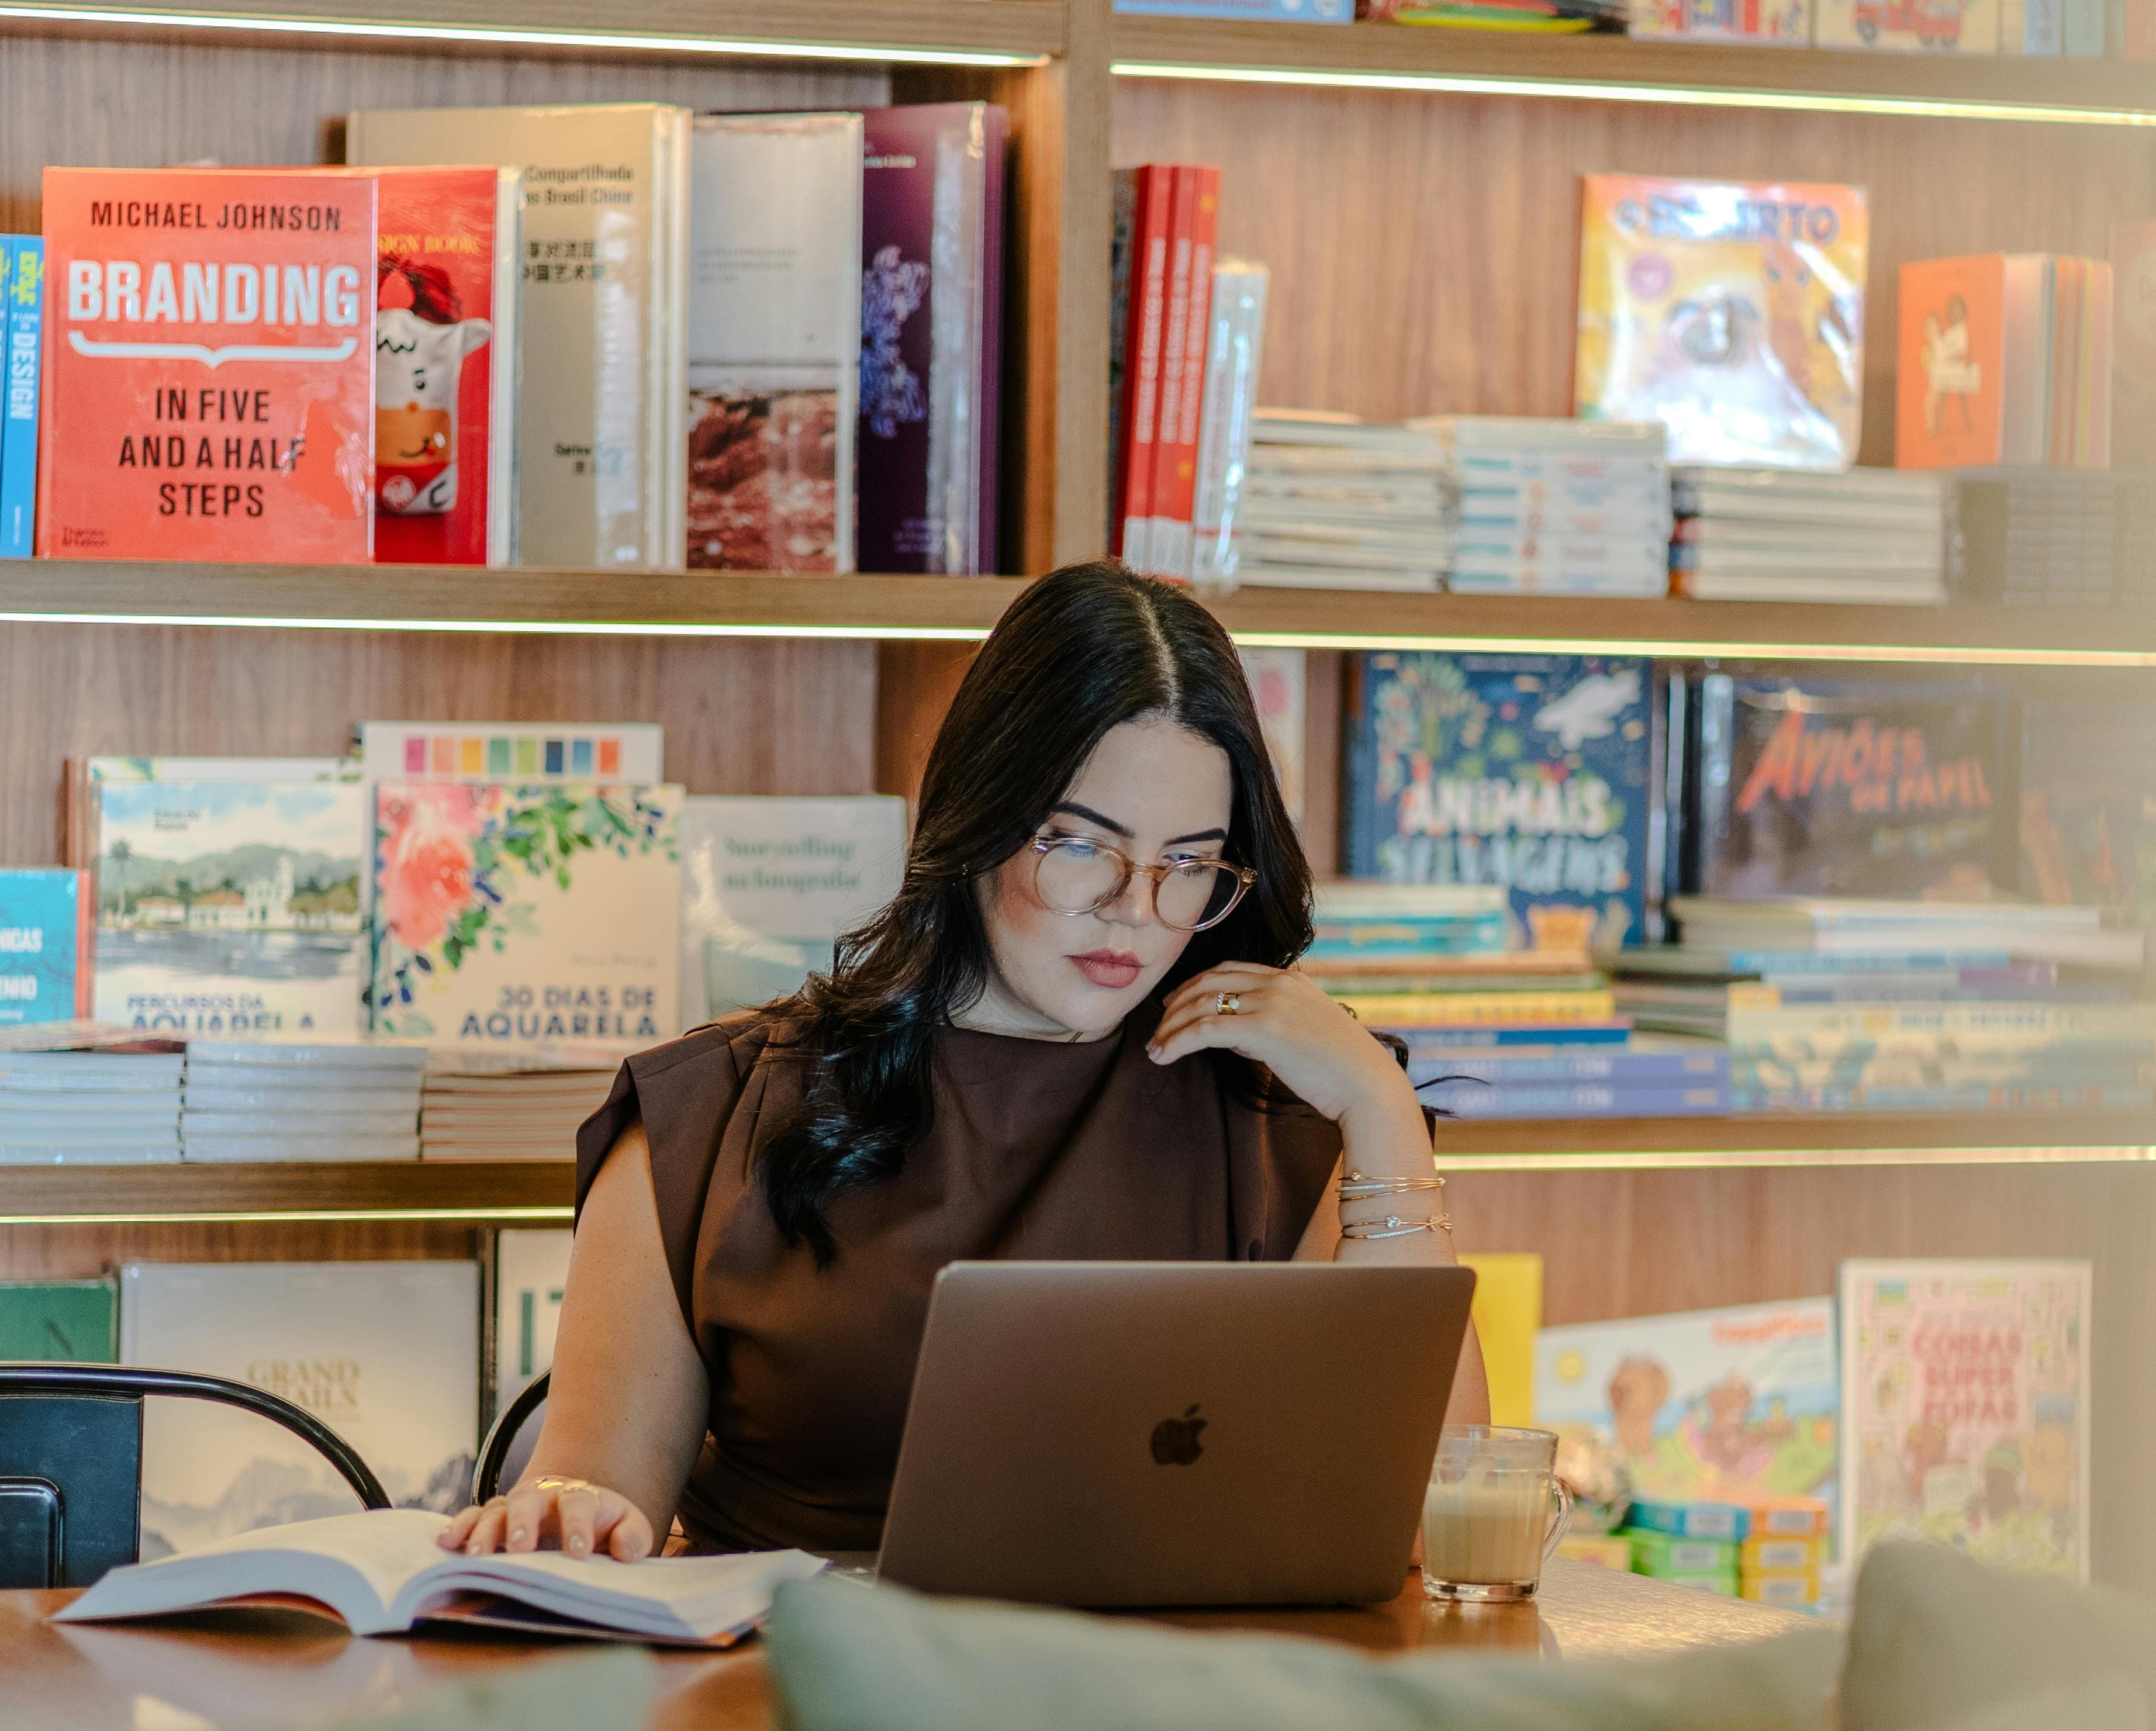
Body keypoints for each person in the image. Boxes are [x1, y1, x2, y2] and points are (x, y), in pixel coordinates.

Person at [443, 560, 1489, 1576]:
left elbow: (1429, 1521)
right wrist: (560, 1513)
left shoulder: (1286, 1117)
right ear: (979, 817)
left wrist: (1380, 1107)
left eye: (1189, 863)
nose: (1136, 908)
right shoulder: (709, 1116)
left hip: (1184, 1723)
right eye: (1083, 845)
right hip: (796, 1706)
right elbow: (594, 1502)